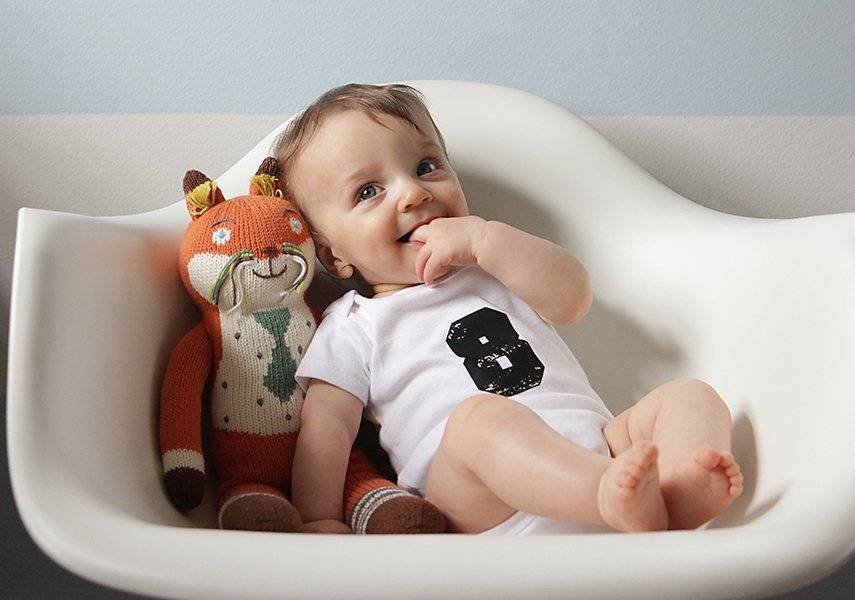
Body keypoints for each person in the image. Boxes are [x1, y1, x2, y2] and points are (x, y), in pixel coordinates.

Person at [275, 83, 743, 535]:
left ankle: (674, 492)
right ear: (333, 255)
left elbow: (572, 299)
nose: (413, 193)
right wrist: (318, 519)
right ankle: (608, 496)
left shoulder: (497, 265)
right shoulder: (355, 325)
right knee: (479, 420)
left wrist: (484, 239)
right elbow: (325, 432)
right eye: (368, 192)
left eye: (426, 166)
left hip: (601, 450)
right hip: (478, 502)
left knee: (690, 395)